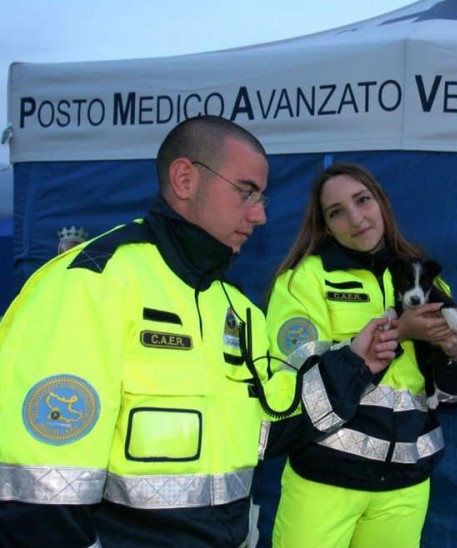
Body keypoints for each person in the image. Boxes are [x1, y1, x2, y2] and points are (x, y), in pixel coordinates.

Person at [0, 117, 398, 547]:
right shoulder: (91, 283)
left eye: (262, 198)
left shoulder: (236, 308)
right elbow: (37, 494)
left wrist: (356, 364)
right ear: (185, 179)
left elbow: (269, 425)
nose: (260, 215)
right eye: (246, 192)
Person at [260, 162, 457, 548]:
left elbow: (454, 399)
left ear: (381, 202)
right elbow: (295, 386)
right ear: (325, 225)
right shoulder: (304, 279)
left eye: (363, 200)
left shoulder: (426, 279)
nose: (356, 218)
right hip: (325, 479)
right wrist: (399, 334)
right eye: (337, 212)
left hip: (405, 487)